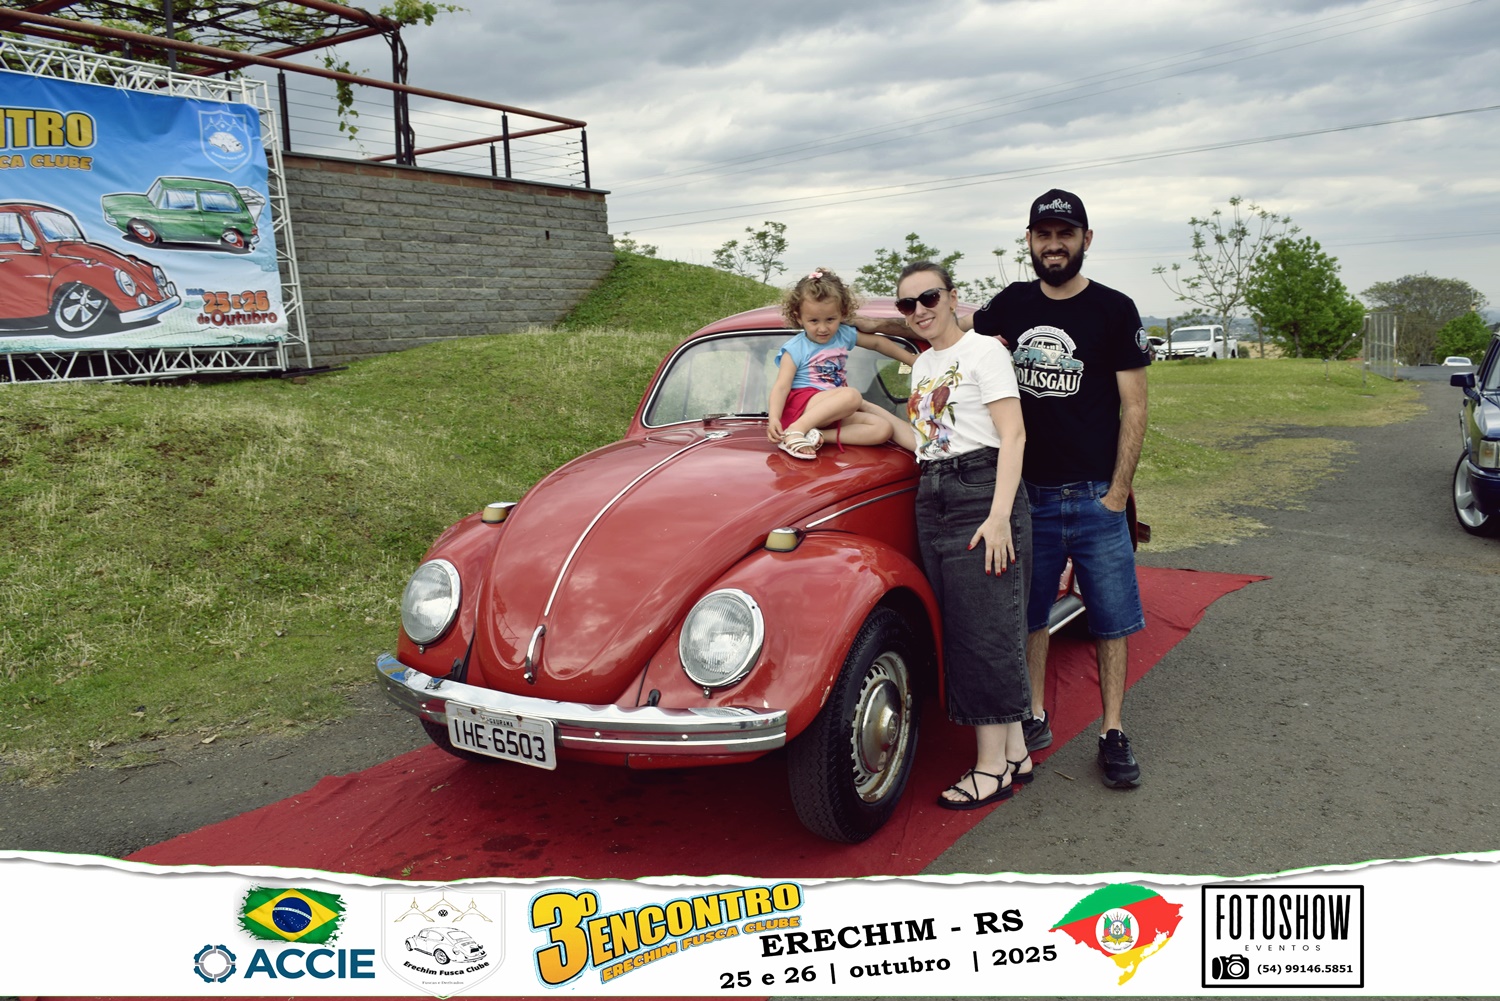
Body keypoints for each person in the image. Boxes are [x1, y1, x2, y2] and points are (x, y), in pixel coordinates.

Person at [966, 188, 1152, 789]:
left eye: (1064, 235)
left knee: (1111, 619)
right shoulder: (1012, 304)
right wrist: (856, 326)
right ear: (1029, 241)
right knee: (1032, 614)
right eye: (1043, 235)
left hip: (1096, 495)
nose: (1054, 245)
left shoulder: (1114, 309)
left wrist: (1118, 495)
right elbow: (949, 331)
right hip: (1031, 497)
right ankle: (1034, 714)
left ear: (1085, 240)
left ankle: (1113, 730)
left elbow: (1135, 406)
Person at [875, 262, 1035, 809]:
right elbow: (929, 440)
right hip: (935, 490)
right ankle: (1015, 752)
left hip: (981, 490)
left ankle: (990, 769)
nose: (919, 310)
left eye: (929, 297)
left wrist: (999, 515)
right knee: (966, 623)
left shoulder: (984, 351)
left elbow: (1013, 435)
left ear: (951, 297)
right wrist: (858, 413)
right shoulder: (924, 365)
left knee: (985, 631)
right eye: (907, 304)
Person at [768, 269, 917, 459]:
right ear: (799, 318)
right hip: (805, 405)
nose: (823, 328)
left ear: (842, 314)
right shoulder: (795, 348)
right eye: (814, 321)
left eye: (830, 319)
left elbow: (877, 343)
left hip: (833, 411)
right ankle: (796, 429)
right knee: (852, 395)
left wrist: (911, 359)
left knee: (882, 428)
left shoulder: (843, 335)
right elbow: (781, 387)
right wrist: (774, 418)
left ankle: (817, 436)